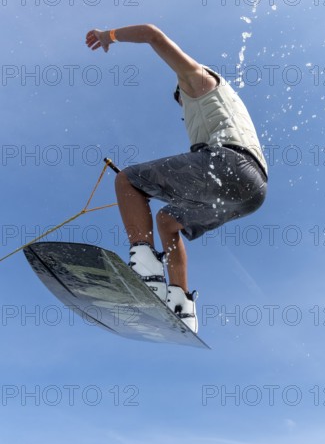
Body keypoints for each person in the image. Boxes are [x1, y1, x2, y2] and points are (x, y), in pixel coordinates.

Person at [85, 24, 268, 333]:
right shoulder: (223, 111)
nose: (182, 106)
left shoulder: (198, 80)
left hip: (228, 164)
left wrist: (109, 36)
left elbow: (151, 34)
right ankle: (182, 304)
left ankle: (145, 267)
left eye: (180, 98)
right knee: (168, 221)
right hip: (251, 193)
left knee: (128, 180)